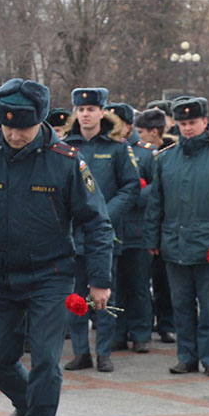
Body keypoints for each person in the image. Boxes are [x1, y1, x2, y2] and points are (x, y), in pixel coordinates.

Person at [0, 78, 114, 416]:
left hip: (50, 274)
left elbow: (96, 223)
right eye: (7, 126)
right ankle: (27, 406)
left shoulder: (65, 159)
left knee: (45, 359)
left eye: (22, 128)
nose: (14, 135)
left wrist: (99, 279)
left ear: (40, 121)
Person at [144, 96, 209, 377]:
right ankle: (187, 356)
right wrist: (152, 239)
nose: (187, 128)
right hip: (175, 244)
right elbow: (156, 202)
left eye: (192, 123)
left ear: (205, 122)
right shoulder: (166, 158)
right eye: (182, 123)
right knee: (181, 304)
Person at [63, 87, 138, 373]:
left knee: (105, 294)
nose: (85, 114)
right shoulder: (67, 146)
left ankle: (104, 351)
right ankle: (81, 352)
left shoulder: (118, 147)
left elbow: (131, 187)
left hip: (105, 235)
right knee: (75, 295)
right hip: (73, 234)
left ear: (102, 112)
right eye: (81, 110)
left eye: (91, 109)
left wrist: (105, 214)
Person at [108, 102, 153, 354]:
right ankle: (116, 332)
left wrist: (132, 195)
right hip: (112, 230)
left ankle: (140, 333)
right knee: (114, 286)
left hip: (137, 229)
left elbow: (158, 187)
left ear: (127, 126)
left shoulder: (146, 153)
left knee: (138, 286)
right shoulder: (107, 149)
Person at [133, 107, 175, 344]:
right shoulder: (138, 153)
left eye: (141, 131)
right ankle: (145, 320)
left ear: (155, 132)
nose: (138, 136)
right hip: (143, 224)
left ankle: (167, 323)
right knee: (142, 279)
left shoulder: (169, 152)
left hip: (166, 222)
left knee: (164, 279)